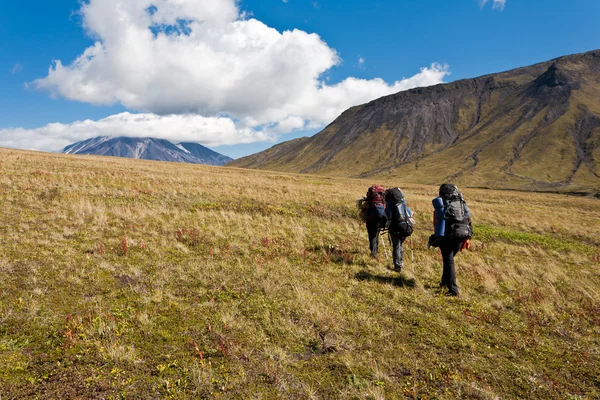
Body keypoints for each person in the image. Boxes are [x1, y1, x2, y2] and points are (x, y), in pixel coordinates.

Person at [431, 184, 472, 296]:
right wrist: (468, 237)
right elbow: (468, 219)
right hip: (463, 233)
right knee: (448, 260)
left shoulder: (442, 202)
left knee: (449, 261)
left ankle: (453, 290)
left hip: (449, 235)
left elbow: (437, 221)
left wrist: (437, 236)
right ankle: (444, 283)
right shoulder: (461, 202)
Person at [385, 187, 414, 272]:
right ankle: (400, 262)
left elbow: (387, 214)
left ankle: (397, 265)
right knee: (400, 244)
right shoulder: (403, 203)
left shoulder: (390, 205)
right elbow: (410, 213)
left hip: (396, 227)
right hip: (406, 227)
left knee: (396, 245)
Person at [364, 185, 386, 259]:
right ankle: (375, 251)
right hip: (381, 217)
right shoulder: (382, 195)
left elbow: (366, 206)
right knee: (376, 234)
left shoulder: (370, 197)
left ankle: (374, 252)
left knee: (372, 235)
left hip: (371, 218)